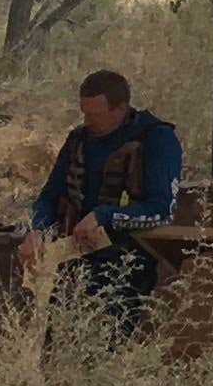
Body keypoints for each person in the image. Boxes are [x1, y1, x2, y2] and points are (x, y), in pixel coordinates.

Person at [23, 68, 181, 330]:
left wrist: (102, 216)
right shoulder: (79, 140)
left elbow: (162, 210)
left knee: (108, 334)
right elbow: (49, 196)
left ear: (121, 109)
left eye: (95, 115)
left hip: (128, 261)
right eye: (84, 113)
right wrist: (36, 230)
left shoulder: (156, 139)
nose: (87, 122)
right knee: (57, 334)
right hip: (74, 257)